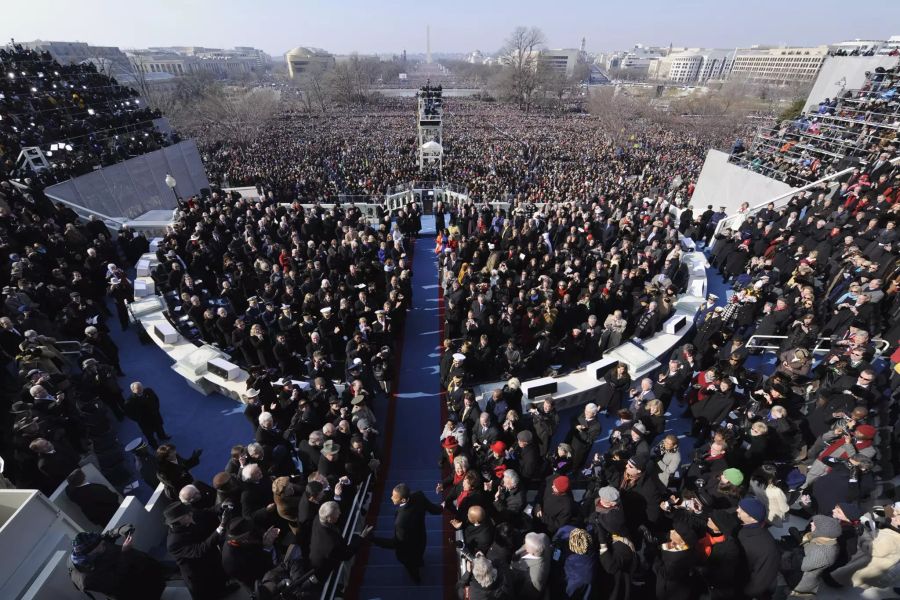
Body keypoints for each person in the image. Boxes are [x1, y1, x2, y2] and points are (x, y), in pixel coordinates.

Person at [371, 483, 443, 583]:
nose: (391, 498)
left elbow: (396, 543)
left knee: (412, 568)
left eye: (394, 497)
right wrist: (441, 507)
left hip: (408, 551)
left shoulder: (400, 521)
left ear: (403, 500)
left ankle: (417, 580)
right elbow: (434, 509)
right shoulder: (419, 495)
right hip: (421, 539)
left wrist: (374, 539)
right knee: (419, 556)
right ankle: (420, 562)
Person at [164, 501, 234, 600]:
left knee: (219, 580)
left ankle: (224, 590)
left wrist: (221, 506)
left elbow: (207, 512)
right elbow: (199, 550)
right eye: (187, 514)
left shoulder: (190, 515)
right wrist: (221, 527)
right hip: (198, 573)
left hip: (211, 560)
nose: (191, 514)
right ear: (177, 521)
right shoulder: (174, 542)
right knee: (208, 594)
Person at [68, 530, 165, 600]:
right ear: (92, 551)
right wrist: (125, 553)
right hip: (131, 593)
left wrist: (120, 530)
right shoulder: (88, 578)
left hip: (141, 579)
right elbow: (117, 581)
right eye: (101, 545)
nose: (104, 544)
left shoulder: (84, 551)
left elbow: (104, 537)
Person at [309, 501, 373, 582]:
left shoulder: (318, 518)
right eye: (337, 513)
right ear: (329, 518)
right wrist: (361, 537)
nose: (340, 512)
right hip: (323, 572)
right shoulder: (331, 545)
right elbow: (347, 555)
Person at [736, 497, 780, 600]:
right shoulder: (743, 526)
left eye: (741, 510)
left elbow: (761, 580)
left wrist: (743, 593)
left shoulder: (767, 548)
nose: (737, 510)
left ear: (752, 518)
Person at [124, 382, 170, 447]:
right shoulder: (129, 401)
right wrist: (138, 419)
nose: (141, 389)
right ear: (133, 390)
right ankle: (154, 445)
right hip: (144, 421)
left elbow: (156, 400)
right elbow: (128, 413)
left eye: (141, 387)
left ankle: (162, 436)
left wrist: (156, 409)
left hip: (154, 415)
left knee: (159, 427)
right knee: (149, 434)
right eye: (138, 389)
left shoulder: (149, 391)